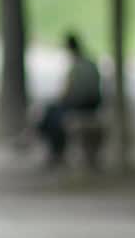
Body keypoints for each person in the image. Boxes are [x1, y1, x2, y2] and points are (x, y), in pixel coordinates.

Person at [35, 32, 103, 167]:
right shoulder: (90, 62)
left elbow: (68, 91)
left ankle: (56, 152)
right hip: (93, 104)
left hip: (80, 104)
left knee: (51, 115)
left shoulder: (75, 66)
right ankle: (55, 151)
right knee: (53, 113)